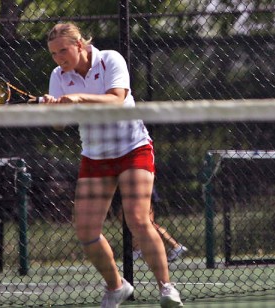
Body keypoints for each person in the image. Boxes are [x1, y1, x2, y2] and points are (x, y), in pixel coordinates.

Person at [41, 22, 184, 308]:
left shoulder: (110, 59)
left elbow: (117, 100)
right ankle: (116, 286)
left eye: (63, 50)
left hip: (133, 148)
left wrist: (79, 97)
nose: (59, 58)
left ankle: (167, 289)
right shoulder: (58, 75)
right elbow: (58, 124)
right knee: (86, 231)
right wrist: (54, 110)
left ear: (80, 44)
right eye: (54, 53)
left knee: (138, 219)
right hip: (95, 155)